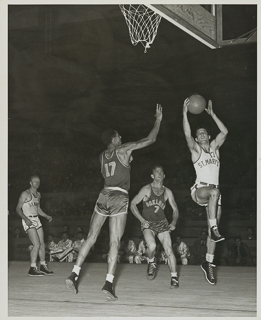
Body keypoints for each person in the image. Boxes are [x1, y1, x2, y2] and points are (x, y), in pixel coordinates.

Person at [65, 104, 163, 300]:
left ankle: (74, 273)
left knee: (91, 236)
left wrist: (126, 165)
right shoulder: (123, 149)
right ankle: (108, 284)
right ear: (114, 139)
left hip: (103, 195)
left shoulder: (102, 156)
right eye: (119, 137)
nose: (121, 139)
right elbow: (150, 139)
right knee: (114, 241)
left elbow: (115, 171)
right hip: (118, 196)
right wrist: (158, 121)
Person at [183, 98, 228, 285]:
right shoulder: (196, 151)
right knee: (213, 194)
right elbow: (186, 134)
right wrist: (184, 113)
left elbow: (224, 131)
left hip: (214, 193)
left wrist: (212, 114)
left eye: (204, 133)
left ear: (208, 137)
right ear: (196, 138)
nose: (201, 135)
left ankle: (208, 264)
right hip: (200, 190)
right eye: (198, 134)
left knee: (212, 236)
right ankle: (215, 227)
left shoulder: (215, 150)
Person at [130, 165, 179, 288]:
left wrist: (173, 222)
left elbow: (175, 210)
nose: (159, 173)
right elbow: (133, 204)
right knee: (152, 246)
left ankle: (174, 278)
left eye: (161, 172)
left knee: (169, 250)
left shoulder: (168, 192)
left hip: (162, 222)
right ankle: (151, 262)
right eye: (157, 172)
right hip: (149, 223)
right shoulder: (146, 189)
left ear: (164, 175)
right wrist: (142, 220)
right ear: (152, 176)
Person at [16, 175, 54, 276]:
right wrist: (25, 219)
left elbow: (38, 209)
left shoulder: (38, 194)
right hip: (28, 219)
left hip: (36, 219)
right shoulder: (25, 194)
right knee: (36, 244)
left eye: (38, 181)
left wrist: (46, 216)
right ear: (30, 183)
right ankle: (32, 268)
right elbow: (18, 209)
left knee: (42, 244)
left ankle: (42, 265)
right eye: (35, 181)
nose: (37, 183)